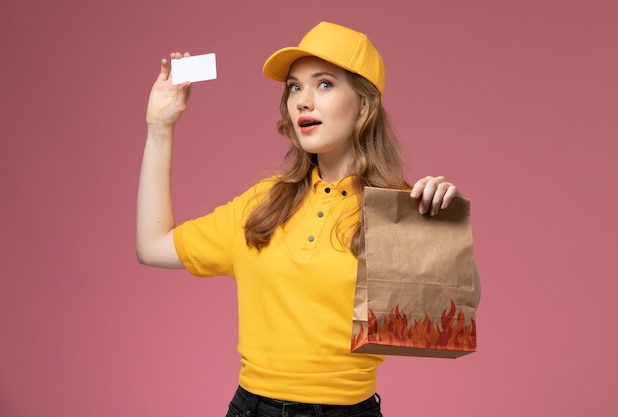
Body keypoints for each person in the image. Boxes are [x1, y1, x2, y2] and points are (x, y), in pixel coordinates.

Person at [137, 21, 462, 417]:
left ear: (364, 103)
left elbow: (442, 328)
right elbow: (152, 246)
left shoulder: (398, 212)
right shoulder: (264, 203)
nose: (303, 101)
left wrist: (440, 226)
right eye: (295, 87)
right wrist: (159, 128)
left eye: (324, 84)